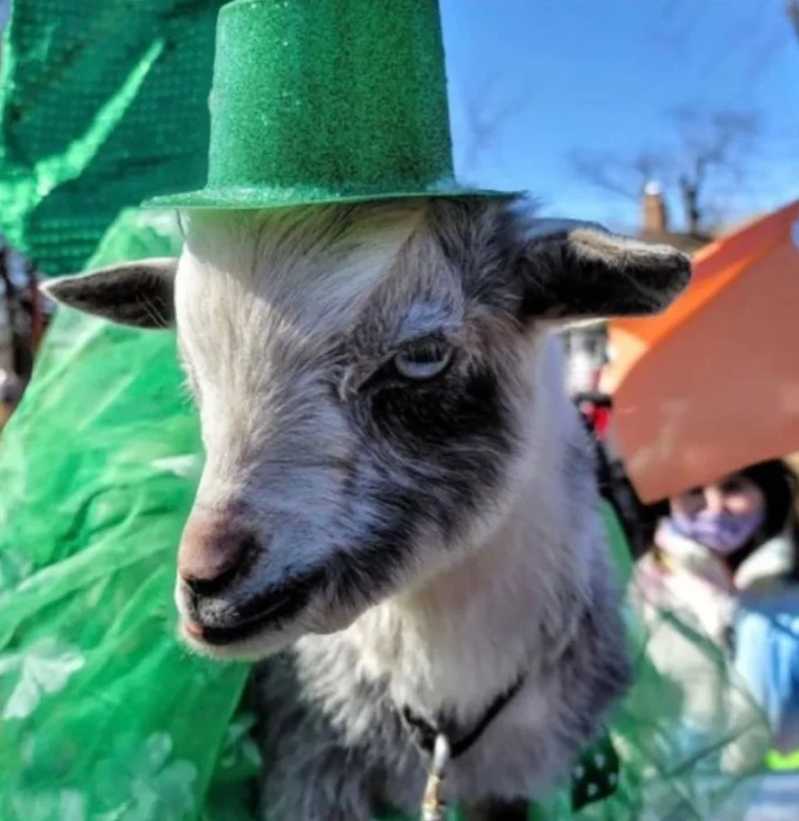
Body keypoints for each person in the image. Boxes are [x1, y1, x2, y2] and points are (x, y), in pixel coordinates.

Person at [634, 460, 799, 758]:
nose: (714, 508)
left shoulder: (790, 589)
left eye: (733, 487)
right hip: (676, 791)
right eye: (694, 490)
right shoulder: (640, 587)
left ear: (767, 491)